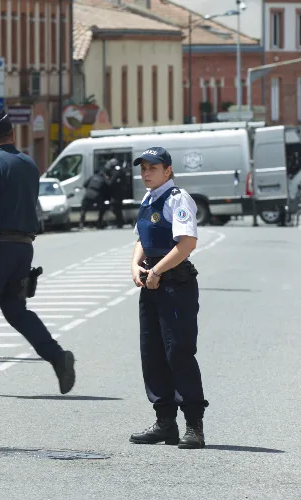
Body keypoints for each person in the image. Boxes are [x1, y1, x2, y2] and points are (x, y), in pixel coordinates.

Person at [0, 108, 76, 396]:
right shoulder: (29, 164)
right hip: (23, 247)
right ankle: (57, 356)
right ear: (13, 134)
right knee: (16, 311)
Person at [128, 146, 207, 449]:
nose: (146, 173)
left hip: (174, 284)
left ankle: (194, 426)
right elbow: (141, 238)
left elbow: (186, 244)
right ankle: (165, 423)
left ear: (168, 170)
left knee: (179, 352)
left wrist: (157, 270)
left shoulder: (178, 200)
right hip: (152, 283)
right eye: (143, 168)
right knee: (152, 353)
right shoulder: (148, 200)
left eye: (152, 168)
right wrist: (136, 265)